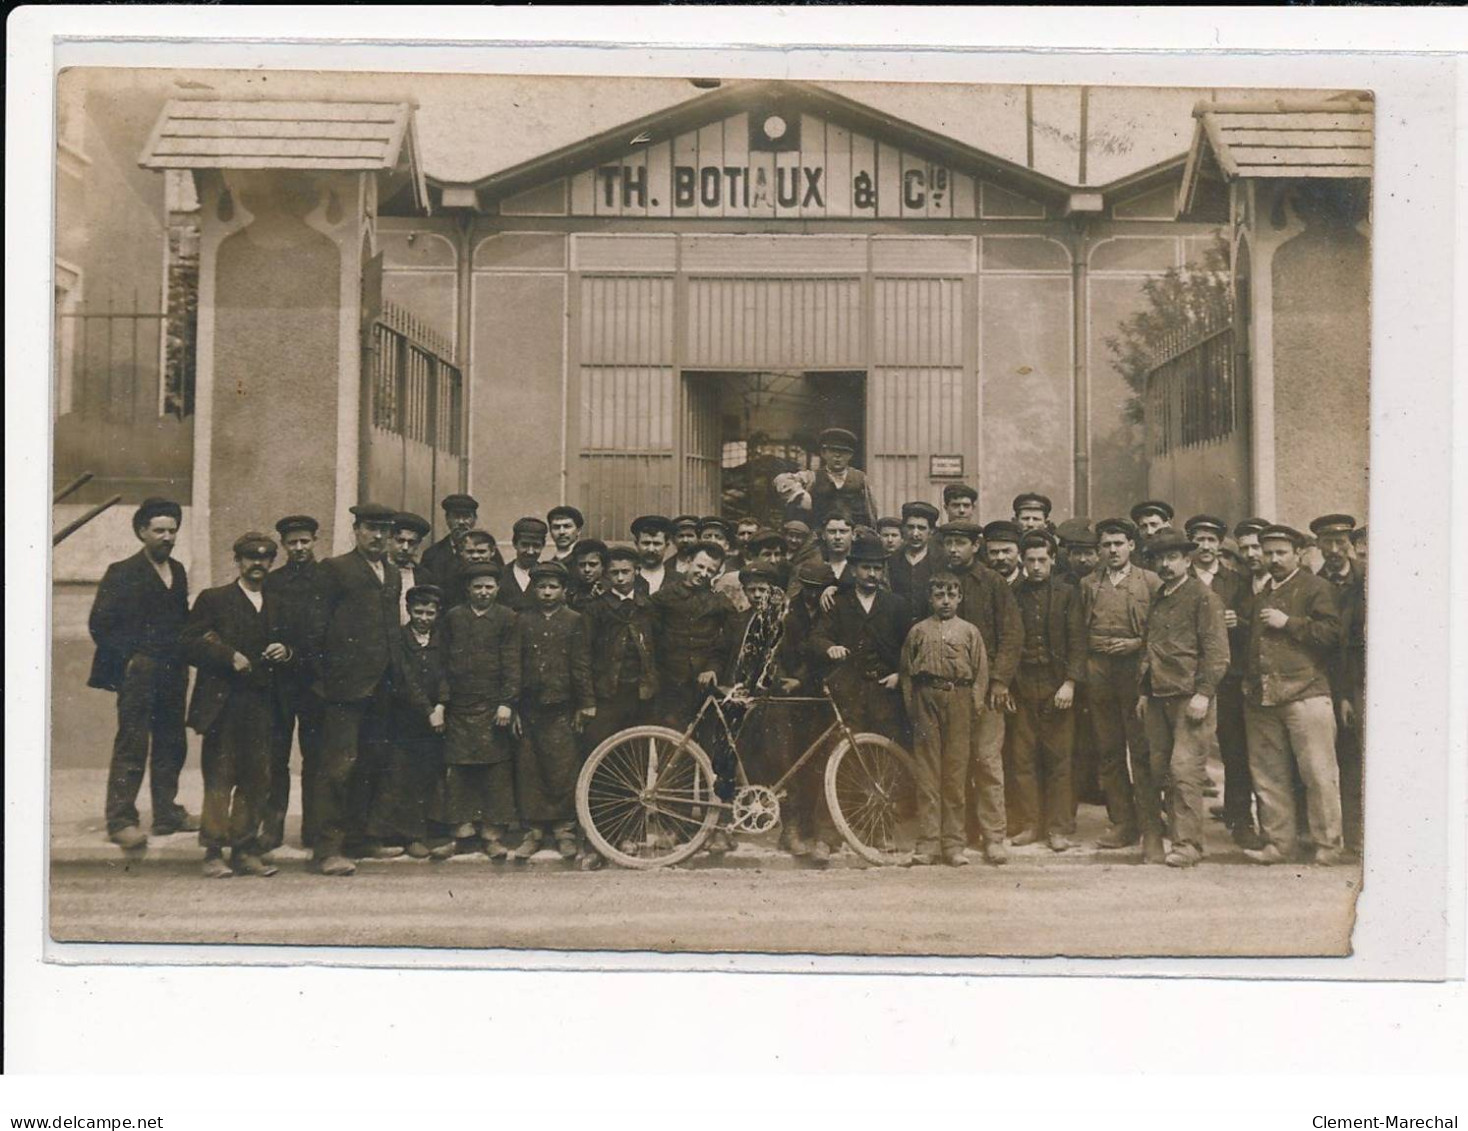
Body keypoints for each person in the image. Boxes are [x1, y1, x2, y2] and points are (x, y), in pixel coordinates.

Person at [180, 532, 295, 878]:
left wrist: (285, 651)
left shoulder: (279, 603)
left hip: (264, 704)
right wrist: (227, 655)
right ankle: (213, 851)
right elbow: (187, 642)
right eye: (250, 557)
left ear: (272, 563)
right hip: (224, 705)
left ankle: (244, 848)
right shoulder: (214, 599)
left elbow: (298, 645)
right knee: (220, 777)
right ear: (238, 561)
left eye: (264, 558)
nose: (257, 563)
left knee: (256, 779)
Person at [88, 496, 196, 850]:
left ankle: (166, 813)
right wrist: (130, 659)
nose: (167, 537)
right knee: (133, 743)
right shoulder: (122, 572)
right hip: (140, 672)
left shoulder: (178, 571)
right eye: (159, 530)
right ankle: (121, 819)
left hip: (173, 671)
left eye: (172, 530)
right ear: (141, 532)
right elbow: (101, 624)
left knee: (171, 742)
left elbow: (181, 621)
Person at [1241, 525, 1346, 866]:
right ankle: (1278, 844)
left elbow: (1331, 635)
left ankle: (1328, 846)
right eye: (1267, 552)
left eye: (1280, 552)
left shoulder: (1318, 588)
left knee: (1318, 773)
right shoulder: (1261, 595)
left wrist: (1288, 622)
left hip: (1306, 694)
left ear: (1298, 554)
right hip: (1263, 697)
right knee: (1268, 775)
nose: (1272, 559)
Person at [310, 502, 402, 876]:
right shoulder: (335, 570)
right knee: (338, 767)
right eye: (370, 529)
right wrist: (327, 680)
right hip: (344, 689)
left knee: (371, 763)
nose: (378, 537)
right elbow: (316, 629)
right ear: (357, 531)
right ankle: (327, 848)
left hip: (382, 687)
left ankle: (360, 838)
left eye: (384, 530)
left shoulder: (392, 573)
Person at [1137, 529, 1230, 868]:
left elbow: (1217, 653)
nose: (1165, 564)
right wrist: (1145, 693)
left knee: (1184, 771)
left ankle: (1188, 844)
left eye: (1172, 557)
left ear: (1187, 560)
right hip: (1158, 696)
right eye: (1160, 558)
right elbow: (1152, 648)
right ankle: (1172, 838)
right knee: (1159, 769)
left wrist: (1203, 694)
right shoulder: (1160, 595)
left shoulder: (1202, 597)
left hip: (1190, 698)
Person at [937, 519, 1023, 864]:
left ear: (977, 546)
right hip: (948, 690)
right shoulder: (937, 581)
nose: (953, 549)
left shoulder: (993, 583)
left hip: (986, 690)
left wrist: (999, 681)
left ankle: (993, 837)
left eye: (961, 542)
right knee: (954, 766)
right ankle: (955, 839)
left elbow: (1012, 635)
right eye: (949, 543)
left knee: (987, 763)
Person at [1079, 517, 1163, 857]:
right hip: (1100, 671)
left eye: (1118, 544)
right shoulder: (1088, 584)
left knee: (1141, 751)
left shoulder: (1150, 582)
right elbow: (1080, 630)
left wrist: (1135, 645)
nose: (1112, 550)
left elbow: (1160, 630)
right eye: (1106, 545)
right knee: (1109, 750)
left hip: (1135, 671)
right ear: (1099, 549)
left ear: (1131, 545)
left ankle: (1150, 825)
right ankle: (1122, 823)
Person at [650, 541, 740, 852]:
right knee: (673, 756)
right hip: (671, 689)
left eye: (710, 571)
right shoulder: (663, 599)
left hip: (705, 690)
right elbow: (650, 639)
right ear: (687, 562)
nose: (702, 574)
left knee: (714, 756)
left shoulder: (719, 603)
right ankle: (675, 826)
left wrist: (713, 668)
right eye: (699, 567)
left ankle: (715, 827)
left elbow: (725, 645)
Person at [900, 570, 989, 867]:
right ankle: (928, 844)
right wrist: (914, 708)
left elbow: (980, 674)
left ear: (960, 598)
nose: (946, 601)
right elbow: (906, 674)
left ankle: (953, 844)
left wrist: (974, 706)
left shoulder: (969, 632)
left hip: (959, 699)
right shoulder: (918, 631)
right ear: (930, 598)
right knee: (927, 775)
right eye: (939, 595)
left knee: (955, 774)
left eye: (951, 595)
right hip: (927, 699)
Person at [513, 560, 597, 862]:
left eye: (553, 587)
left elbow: (581, 664)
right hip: (529, 708)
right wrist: (513, 707)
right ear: (533, 589)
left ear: (564, 590)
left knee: (563, 768)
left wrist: (585, 704)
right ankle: (534, 831)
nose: (547, 592)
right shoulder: (522, 620)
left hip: (562, 706)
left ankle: (564, 830)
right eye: (542, 586)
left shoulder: (574, 620)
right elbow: (513, 665)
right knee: (530, 767)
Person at [1008, 530, 1086, 852]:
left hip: (1057, 686)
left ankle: (1059, 828)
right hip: (1024, 684)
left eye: (1042, 560)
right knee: (1023, 759)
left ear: (1053, 560)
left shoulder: (1068, 594)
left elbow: (1078, 641)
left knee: (1059, 759)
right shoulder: (1012, 593)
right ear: (1021, 562)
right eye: (1030, 560)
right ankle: (1030, 824)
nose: (1036, 566)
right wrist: (1008, 686)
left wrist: (1069, 683)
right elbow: (1007, 641)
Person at [438, 561, 521, 861]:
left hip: (492, 706)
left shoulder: (507, 618)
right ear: (467, 589)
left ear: (497, 588)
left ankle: (492, 835)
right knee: (459, 770)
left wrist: (507, 702)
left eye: (489, 587)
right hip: (459, 707)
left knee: (494, 771)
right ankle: (461, 834)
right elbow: (442, 662)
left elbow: (513, 663)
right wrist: (442, 703)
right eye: (477, 587)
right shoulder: (454, 617)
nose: (483, 592)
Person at [1185, 514, 1257, 848]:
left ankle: (1240, 819)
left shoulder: (1236, 582)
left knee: (1234, 751)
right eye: (1198, 540)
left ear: (1219, 545)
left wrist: (1237, 622)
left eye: (1211, 540)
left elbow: (1251, 626)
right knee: (1185, 755)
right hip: (1187, 679)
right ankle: (1183, 826)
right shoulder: (1179, 579)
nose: (1204, 546)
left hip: (1227, 679)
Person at [260, 514, 326, 852]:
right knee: (275, 756)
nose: (299, 548)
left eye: (304, 541)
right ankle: (272, 826)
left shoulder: (328, 579)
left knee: (315, 758)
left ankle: (313, 830)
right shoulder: (274, 582)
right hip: (280, 683)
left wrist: (295, 652)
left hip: (315, 682)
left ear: (315, 541)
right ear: (284, 546)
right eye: (292, 543)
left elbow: (329, 633)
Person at [811, 532, 910, 748]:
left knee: (887, 748)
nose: (872, 574)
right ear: (854, 570)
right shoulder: (838, 603)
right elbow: (818, 637)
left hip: (885, 690)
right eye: (866, 568)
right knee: (848, 747)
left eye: (877, 568)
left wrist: (899, 675)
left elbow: (910, 646)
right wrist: (830, 647)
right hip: (849, 691)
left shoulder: (896, 605)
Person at [372, 584, 448, 860]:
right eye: (419, 612)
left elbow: (445, 675)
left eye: (430, 612)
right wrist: (428, 710)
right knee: (400, 775)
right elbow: (404, 680)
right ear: (408, 610)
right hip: (403, 718)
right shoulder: (400, 640)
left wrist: (441, 704)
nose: (424, 618)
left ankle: (424, 832)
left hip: (434, 719)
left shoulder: (441, 639)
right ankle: (403, 835)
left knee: (428, 774)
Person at [775, 559, 840, 858]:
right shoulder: (790, 613)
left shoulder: (835, 606)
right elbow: (783, 651)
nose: (813, 596)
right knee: (792, 762)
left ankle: (820, 831)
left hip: (824, 693)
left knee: (823, 763)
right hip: (793, 694)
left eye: (820, 589)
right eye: (809, 589)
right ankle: (791, 830)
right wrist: (794, 679)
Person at [1311, 513, 1367, 858]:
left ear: (1349, 544)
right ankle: (1352, 838)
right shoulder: (1315, 585)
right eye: (1327, 543)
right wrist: (1342, 695)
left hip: (1368, 679)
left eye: (1340, 542)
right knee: (1347, 759)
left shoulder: (1370, 580)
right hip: (1336, 682)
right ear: (1318, 546)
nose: (1334, 550)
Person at [582, 546, 659, 754]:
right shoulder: (595, 609)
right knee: (601, 748)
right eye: (614, 573)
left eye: (626, 572)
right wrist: (587, 699)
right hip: (608, 694)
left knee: (638, 750)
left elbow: (658, 649)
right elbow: (583, 656)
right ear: (607, 574)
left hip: (642, 693)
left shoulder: (648, 607)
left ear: (637, 571)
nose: (620, 578)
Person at [780, 427, 878, 531]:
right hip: (819, 536)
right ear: (823, 453)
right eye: (832, 451)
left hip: (853, 536)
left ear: (850, 455)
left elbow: (871, 512)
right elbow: (782, 480)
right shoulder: (812, 477)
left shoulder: (860, 478)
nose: (837, 456)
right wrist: (800, 494)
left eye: (843, 452)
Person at [420, 494, 499, 583]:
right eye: (456, 517)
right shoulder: (432, 555)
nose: (461, 522)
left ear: (474, 519)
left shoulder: (487, 551)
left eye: (466, 517)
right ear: (447, 519)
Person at [888, 500, 940, 623]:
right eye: (910, 527)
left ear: (931, 531)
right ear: (903, 529)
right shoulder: (892, 561)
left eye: (921, 528)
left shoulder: (941, 561)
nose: (915, 533)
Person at [499, 516, 550, 612]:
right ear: (514, 544)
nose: (530, 551)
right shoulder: (500, 575)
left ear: (543, 545)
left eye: (536, 546)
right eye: (525, 545)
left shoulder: (547, 576)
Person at [441, 528, 500, 609]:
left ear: (492, 552)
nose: (475, 556)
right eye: (470, 552)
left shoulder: (502, 577)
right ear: (461, 552)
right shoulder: (450, 579)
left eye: (481, 551)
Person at [391, 512, 431, 625]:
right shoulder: (377, 569)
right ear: (389, 539)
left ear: (418, 545)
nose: (405, 548)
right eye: (400, 541)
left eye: (411, 543)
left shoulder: (424, 576)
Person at [631, 514, 674, 595]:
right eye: (646, 543)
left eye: (657, 544)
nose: (651, 549)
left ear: (667, 545)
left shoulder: (679, 581)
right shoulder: (626, 579)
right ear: (636, 544)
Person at [568, 538, 609, 612]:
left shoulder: (611, 590)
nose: (587, 570)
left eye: (592, 564)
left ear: (603, 566)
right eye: (582, 565)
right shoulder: (569, 590)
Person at [983, 520, 1024, 588]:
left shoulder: (1029, 584)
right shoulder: (979, 584)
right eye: (994, 552)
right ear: (986, 554)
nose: (1000, 557)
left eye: (1006, 551)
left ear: (1019, 551)